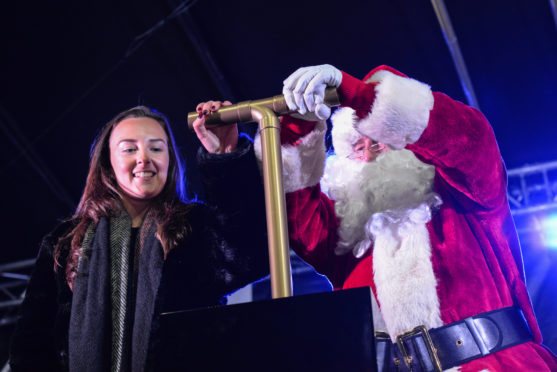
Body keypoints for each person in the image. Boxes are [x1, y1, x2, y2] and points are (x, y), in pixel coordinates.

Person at [261, 64, 557, 371]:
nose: (369, 157)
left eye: (377, 141)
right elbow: (294, 212)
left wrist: (361, 96)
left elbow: (468, 137)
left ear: (403, 137)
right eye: (357, 148)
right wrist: (299, 127)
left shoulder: (463, 191)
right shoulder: (348, 231)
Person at [9, 104, 268, 372]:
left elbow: (250, 257)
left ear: (170, 158)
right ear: (108, 162)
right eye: (129, 149)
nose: (144, 158)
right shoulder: (64, 242)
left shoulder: (195, 227)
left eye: (156, 148)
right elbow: (31, 346)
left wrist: (224, 155)